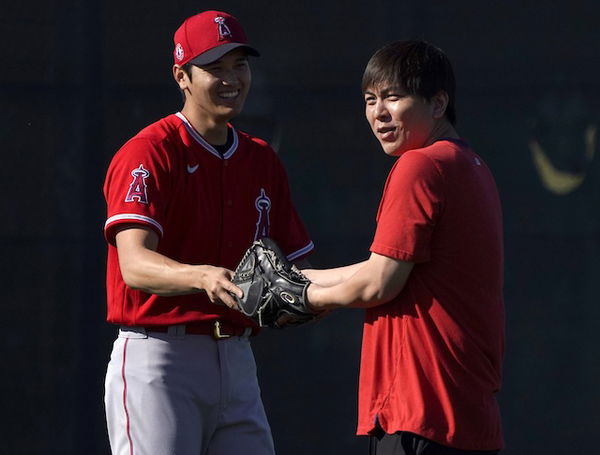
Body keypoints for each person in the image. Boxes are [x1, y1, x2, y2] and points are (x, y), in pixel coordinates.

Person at [102, 10, 313, 455]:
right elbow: (134, 264)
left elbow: (296, 268)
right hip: (161, 358)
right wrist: (203, 276)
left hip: (237, 358)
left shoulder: (260, 160)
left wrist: (339, 291)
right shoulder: (150, 151)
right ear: (182, 75)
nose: (231, 78)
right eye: (214, 67)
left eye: (239, 64)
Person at [304, 41, 504, 454]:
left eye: (393, 97)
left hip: (421, 412)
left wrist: (306, 297)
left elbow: (379, 284)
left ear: (438, 103)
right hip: (466, 417)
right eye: (370, 99)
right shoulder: (471, 166)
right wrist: (303, 278)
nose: (379, 113)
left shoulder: (420, 165)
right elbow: (391, 265)